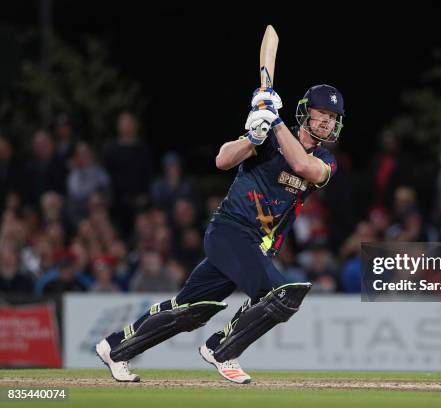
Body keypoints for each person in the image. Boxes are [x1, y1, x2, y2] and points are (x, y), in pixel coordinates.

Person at [95, 84, 345, 383]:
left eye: (333, 116)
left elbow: (302, 165)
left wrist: (274, 121)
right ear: (305, 111)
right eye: (322, 113)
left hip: (258, 246)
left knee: (190, 310)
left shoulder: (326, 161)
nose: (327, 121)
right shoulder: (267, 136)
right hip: (230, 231)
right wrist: (253, 136)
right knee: (282, 295)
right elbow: (222, 160)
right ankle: (221, 350)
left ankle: (115, 348)